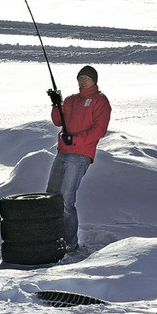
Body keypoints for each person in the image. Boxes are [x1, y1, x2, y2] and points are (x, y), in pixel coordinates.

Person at [45, 65, 111, 252]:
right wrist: (56, 103)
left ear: (94, 80)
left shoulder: (100, 101)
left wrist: (75, 139)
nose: (82, 80)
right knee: (51, 195)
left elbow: (99, 130)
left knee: (66, 199)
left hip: (80, 155)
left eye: (86, 78)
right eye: (80, 77)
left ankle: (70, 242)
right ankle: (52, 237)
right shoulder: (71, 99)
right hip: (63, 152)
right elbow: (58, 121)